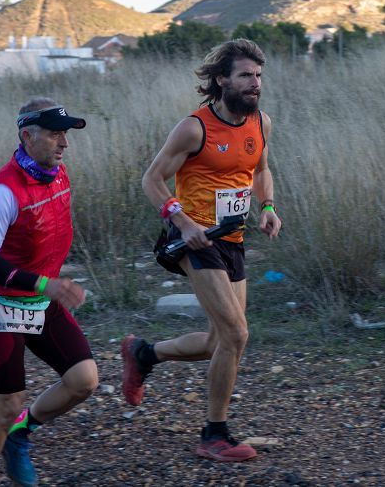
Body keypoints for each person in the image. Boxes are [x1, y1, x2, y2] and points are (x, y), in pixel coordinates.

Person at [122, 39, 282, 462]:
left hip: (232, 240)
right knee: (236, 333)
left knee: (218, 342)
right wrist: (183, 220)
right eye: (246, 75)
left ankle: (144, 353)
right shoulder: (194, 128)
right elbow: (152, 179)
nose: (255, 83)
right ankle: (214, 434)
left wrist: (267, 207)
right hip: (194, 240)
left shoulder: (260, 123)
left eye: (259, 76)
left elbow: (261, 170)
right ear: (221, 79)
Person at [0, 98, 97, 487]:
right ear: (27, 135)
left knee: (84, 380)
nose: (64, 143)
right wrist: (47, 284)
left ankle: (20, 436)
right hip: (0, 304)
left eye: (66, 134)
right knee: (6, 406)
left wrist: (48, 286)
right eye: (56, 134)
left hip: (43, 300)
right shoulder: (3, 191)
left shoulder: (58, 173)